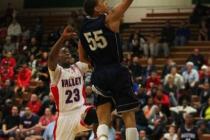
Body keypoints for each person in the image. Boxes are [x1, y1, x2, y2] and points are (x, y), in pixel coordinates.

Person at [79, 0, 139, 140]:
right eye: (102, 1)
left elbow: (82, 58)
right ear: (96, 9)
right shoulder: (109, 18)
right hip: (116, 70)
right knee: (128, 114)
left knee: (103, 116)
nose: (105, 2)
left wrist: (96, 64)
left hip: (99, 73)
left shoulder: (82, 28)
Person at [48, 26, 98, 140]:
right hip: (65, 116)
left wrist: (82, 41)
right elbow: (51, 58)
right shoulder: (57, 73)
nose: (68, 53)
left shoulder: (78, 67)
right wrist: (63, 38)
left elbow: (89, 61)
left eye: (69, 52)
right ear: (58, 57)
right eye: (64, 52)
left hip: (81, 110)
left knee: (99, 114)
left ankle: (97, 136)